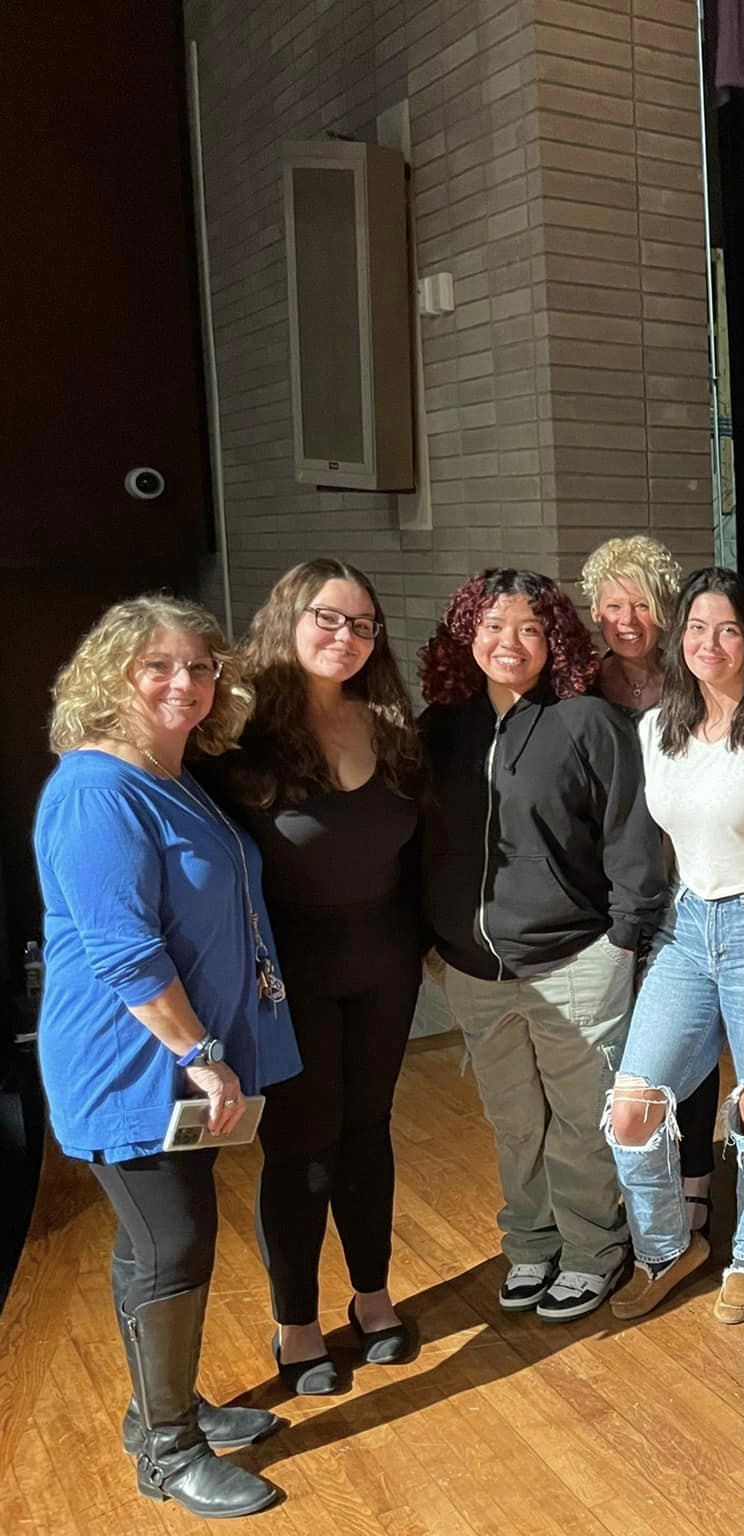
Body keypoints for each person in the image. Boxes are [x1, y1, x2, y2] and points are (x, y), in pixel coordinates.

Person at [33, 595, 297, 1518]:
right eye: (158, 666)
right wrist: (205, 1051)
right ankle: (169, 1453)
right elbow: (122, 950)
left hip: (182, 1055)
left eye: (198, 665)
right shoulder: (97, 789)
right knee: (173, 1242)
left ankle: (161, 1412)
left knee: (154, 1242)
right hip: (132, 1057)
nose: (184, 682)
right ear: (113, 676)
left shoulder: (172, 773)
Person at [418, 568, 667, 1322]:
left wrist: (624, 942)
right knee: (514, 1120)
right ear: (468, 635)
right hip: (475, 969)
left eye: (529, 628)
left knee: (581, 1120)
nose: (510, 643)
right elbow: (423, 842)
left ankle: (594, 1250)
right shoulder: (439, 726)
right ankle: (530, 1243)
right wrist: (434, 939)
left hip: (576, 960)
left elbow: (633, 840)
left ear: (553, 638)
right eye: (493, 626)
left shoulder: (588, 722)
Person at [206, 560, 428, 1395]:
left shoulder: (390, 723)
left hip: (384, 966)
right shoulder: (237, 738)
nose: (347, 638)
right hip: (287, 979)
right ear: (289, 619)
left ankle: (372, 1297)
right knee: (300, 1146)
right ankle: (295, 1321)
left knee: (368, 1132)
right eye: (329, 620)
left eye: (363, 624)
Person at [607, 568, 744, 1325]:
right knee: (633, 1109)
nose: (711, 642)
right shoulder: (655, 731)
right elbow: (676, 845)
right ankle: (669, 1247)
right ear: (680, 639)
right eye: (698, 628)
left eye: (727, 628)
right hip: (688, 925)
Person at [580, 536, 718, 1240]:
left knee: (688, 1043)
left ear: (666, 609)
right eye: (611, 604)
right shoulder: (581, 684)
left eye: (640, 603)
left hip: (690, 885)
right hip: (609, 893)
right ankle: (633, 1183)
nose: (626, 618)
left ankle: (696, 1179)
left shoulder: (693, 676)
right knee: (624, 1050)